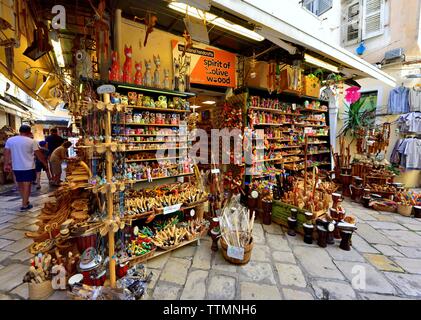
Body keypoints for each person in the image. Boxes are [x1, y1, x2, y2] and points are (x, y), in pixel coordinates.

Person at [3, 125, 48, 211]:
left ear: (20, 131)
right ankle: (24, 205)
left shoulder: (10, 140)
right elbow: (39, 155)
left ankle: (25, 201)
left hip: (16, 167)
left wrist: (6, 165)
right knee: (27, 185)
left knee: (20, 185)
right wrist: (45, 163)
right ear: (29, 132)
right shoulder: (31, 141)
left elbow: (6, 153)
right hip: (28, 167)